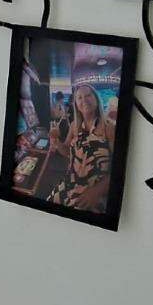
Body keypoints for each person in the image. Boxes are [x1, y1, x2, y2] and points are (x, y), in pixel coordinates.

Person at [47, 83, 115, 213]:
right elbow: (66, 152)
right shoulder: (74, 126)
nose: (84, 100)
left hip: (93, 191)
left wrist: (97, 191)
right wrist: (56, 140)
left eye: (88, 95)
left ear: (96, 99)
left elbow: (119, 168)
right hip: (68, 184)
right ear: (76, 105)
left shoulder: (109, 127)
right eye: (79, 97)